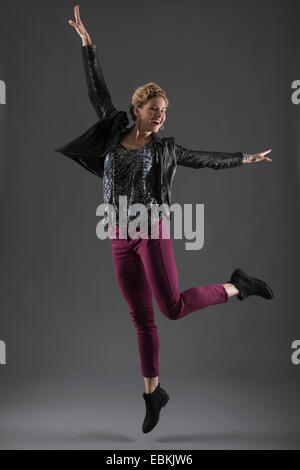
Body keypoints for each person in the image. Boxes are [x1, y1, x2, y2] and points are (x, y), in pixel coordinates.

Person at [57, 5, 274, 434]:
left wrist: (245, 158)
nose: (160, 116)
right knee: (142, 317)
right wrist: (88, 45)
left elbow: (205, 160)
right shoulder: (113, 129)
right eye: (154, 108)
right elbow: (97, 90)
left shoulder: (166, 150)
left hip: (151, 230)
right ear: (137, 108)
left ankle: (237, 286)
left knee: (170, 309)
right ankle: (153, 394)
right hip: (119, 234)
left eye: (165, 112)